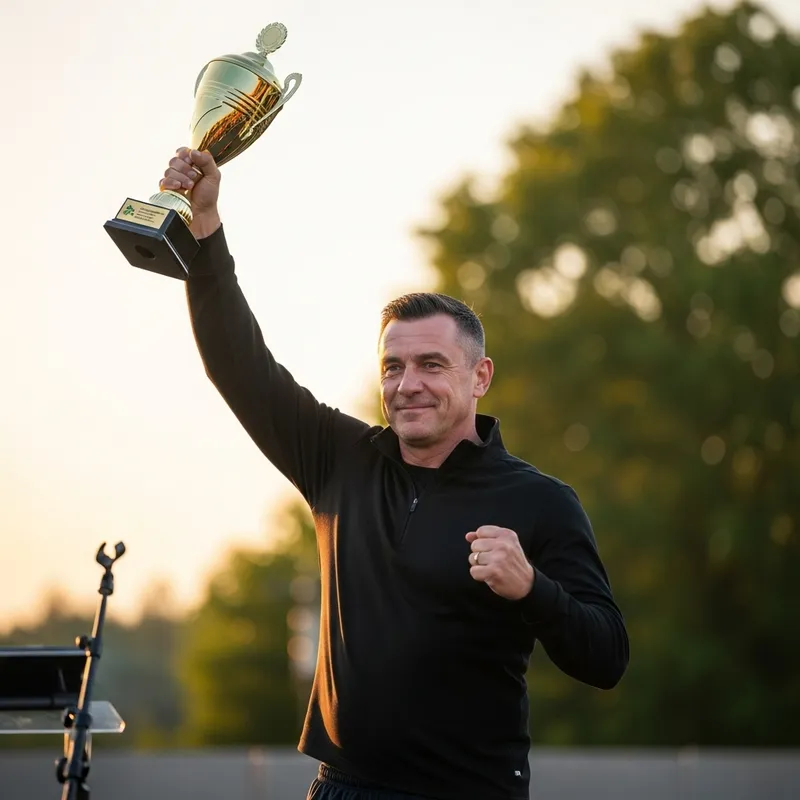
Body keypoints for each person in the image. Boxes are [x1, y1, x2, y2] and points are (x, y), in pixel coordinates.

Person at [160, 147, 629, 800]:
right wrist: (205, 228)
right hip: (342, 789)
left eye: (432, 365)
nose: (408, 385)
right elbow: (237, 363)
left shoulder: (540, 501)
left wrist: (532, 589)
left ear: (480, 377)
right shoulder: (338, 460)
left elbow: (606, 657)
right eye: (393, 367)